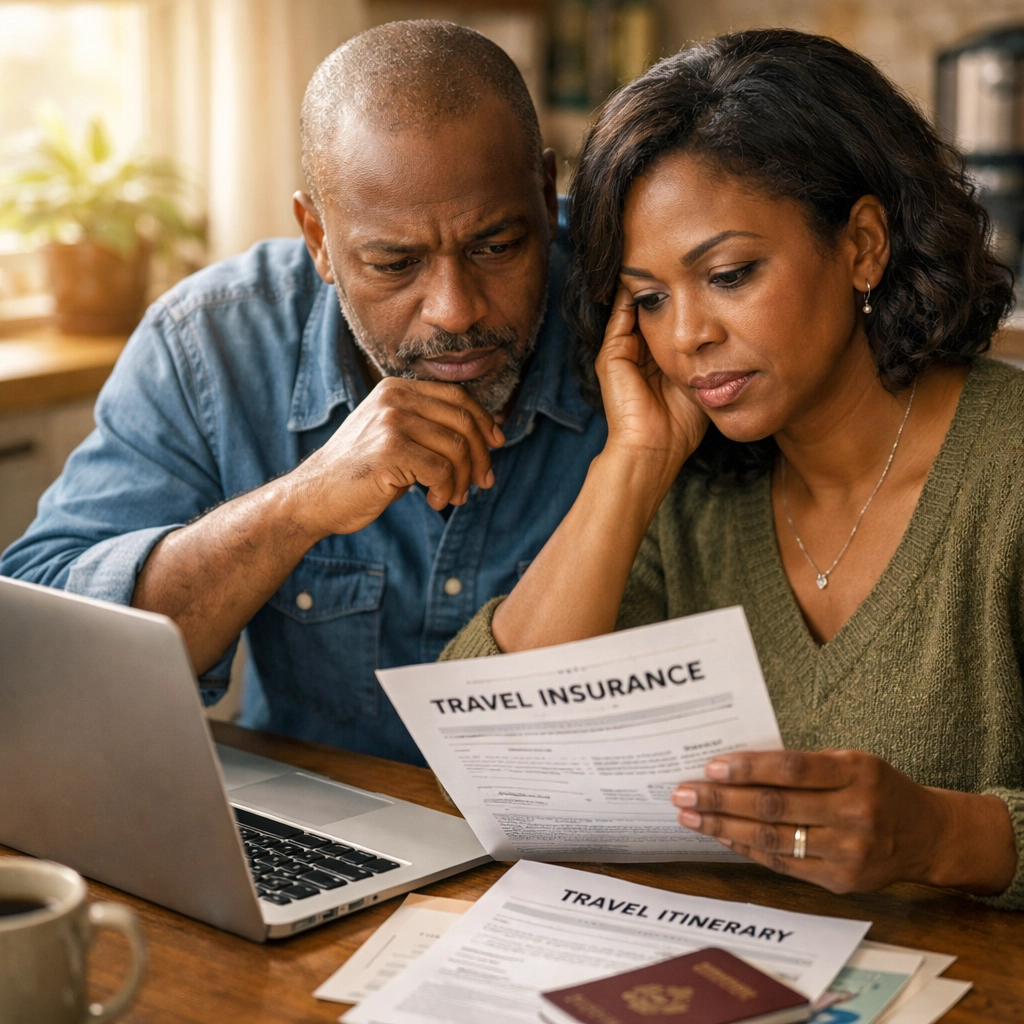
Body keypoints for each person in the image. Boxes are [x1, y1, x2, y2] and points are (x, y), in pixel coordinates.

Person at [442, 29, 1024, 908]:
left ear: (863, 244)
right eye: (649, 298)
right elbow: (489, 746)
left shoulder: (1007, 473)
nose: (686, 337)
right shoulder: (693, 491)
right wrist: (631, 465)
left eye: (729, 273)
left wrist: (946, 836)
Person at [0, 21, 607, 765]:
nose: (455, 309)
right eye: (394, 264)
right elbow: (35, 653)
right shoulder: (212, 344)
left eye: (495, 247)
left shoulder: (641, 305)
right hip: (327, 836)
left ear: (547, 196)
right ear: (317, 237)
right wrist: (298, 506)